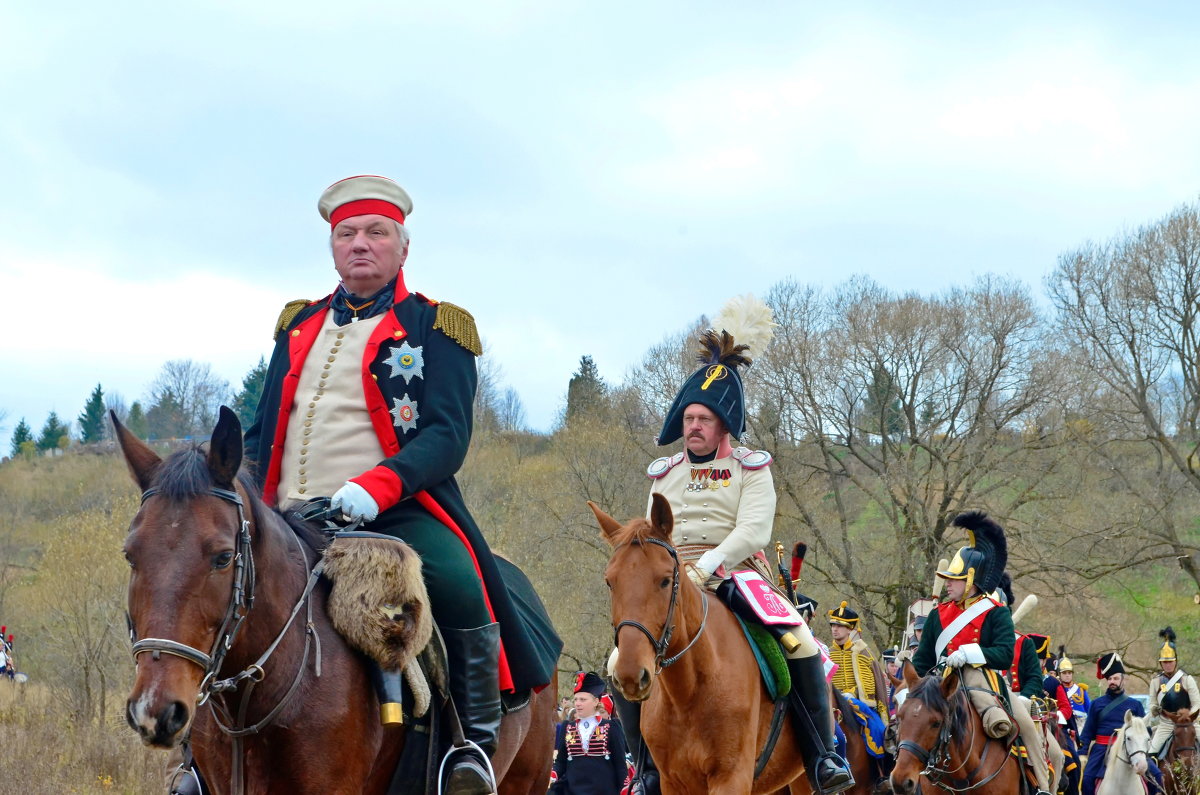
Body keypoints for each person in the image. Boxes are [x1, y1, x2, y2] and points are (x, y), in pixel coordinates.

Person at [244, 175, 561, 795]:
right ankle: (194, 755)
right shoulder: (297, 326)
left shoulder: (439, 327)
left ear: (402, 247)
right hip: (283, 518)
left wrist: (378, 485)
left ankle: (470, 746)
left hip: (394, 515)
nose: (360, 243)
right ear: (333, 246)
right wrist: (248, 499)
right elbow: (262, 433)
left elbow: (446, 434)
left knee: (462, 583)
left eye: (376, 232)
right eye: (347, 233)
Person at [621, 296, 853, 795]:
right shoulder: (664, 474)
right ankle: (642, 766)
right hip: (672, 576)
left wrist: (708, 567)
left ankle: (823, 756)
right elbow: (654, 536)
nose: (695, 427)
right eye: (688, 419)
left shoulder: (751, 467)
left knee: (802, 643)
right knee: (620, 655)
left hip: (737, 574)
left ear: (724, 423)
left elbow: (753, 531)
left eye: (705, 419)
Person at [911, 511, 1051, 795]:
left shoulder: (996, 613)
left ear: (971, 578)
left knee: (1025, 726)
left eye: (955, 579)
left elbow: (1002, 654)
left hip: (986, 683)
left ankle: (1042, 786)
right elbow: (923, 660)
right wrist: (912, 687)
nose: (948, 583)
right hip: (942, 682)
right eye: (947, 579)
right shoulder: (938, 615)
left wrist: (971, 654)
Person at [1079, 652, 1162, 795]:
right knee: (1086, 780)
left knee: (1157, 777)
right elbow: (1087, 732)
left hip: (1132, 747)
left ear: (1123, 680)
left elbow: (1144, 731)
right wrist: (1083, 752)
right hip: (1102, 749)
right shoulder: (1096, 704)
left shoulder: (1135, 705)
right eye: (1110, 678)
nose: (1112, 681)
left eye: (1116, 678)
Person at [550, 673, 629, 795]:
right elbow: (561, 762)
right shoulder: (568, 727)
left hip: (604, 790)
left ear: (595, 701)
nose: (577, 703)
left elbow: (620, 764)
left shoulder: (611, 727)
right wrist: (553, 775)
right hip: (573, 790)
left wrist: (624, 788)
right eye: (575, 699)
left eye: (583, 699)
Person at [1149, 627, 1200, 761]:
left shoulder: (1187, 679)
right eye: (1165, 662)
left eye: (1170, 661)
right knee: (1151, 754)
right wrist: (1154, 709)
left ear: (1175, 661)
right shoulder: (1155, 681)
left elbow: (1197, 704)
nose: (1168, 665)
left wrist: (1188, 718)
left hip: (1188, 724)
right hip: (1166, 724)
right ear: (1161, 663)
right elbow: (1152, 703)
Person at [1059, 650, 1090, 736]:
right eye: (1064, 673)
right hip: (1065, 724)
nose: (1067, 675)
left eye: (1069, 673)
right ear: (1060, 674)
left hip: (1081, 725)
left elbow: (1089, 710)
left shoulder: (1081, 689)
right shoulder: (1058, 690)